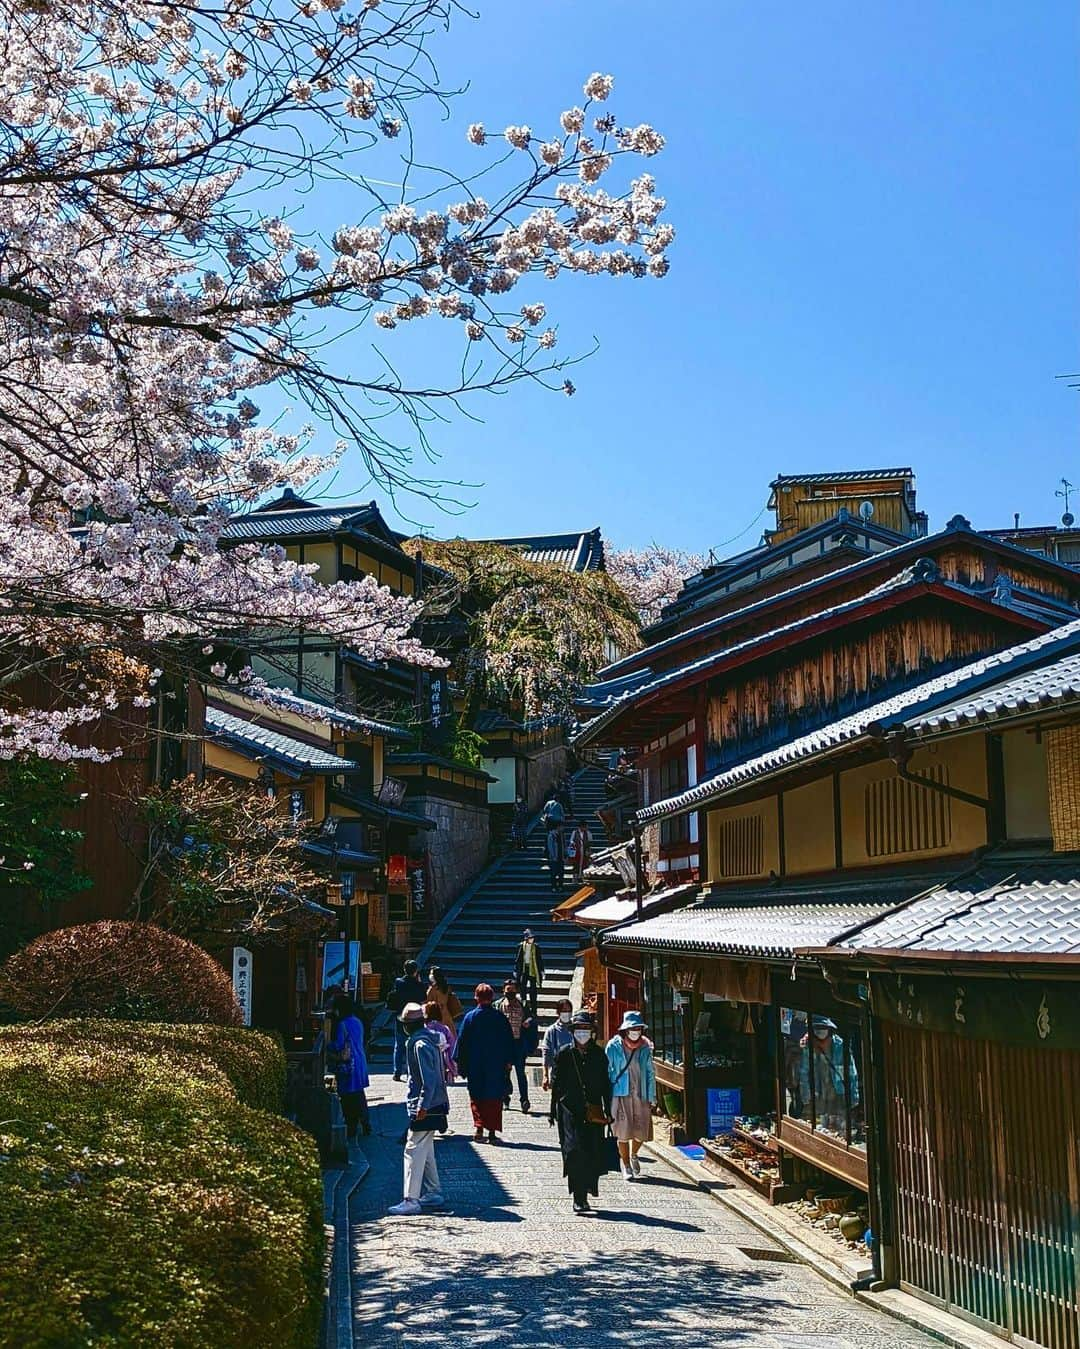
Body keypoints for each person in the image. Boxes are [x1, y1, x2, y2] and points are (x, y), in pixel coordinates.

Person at [388, 1003, 451, 1216]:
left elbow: (429, 1080)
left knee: (412, 1149)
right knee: (426, 1149)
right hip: (436, 1103)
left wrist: (422, 1105)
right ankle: (433, 1192)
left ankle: (411, 1198)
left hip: (425, 1105)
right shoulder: (429, 1040)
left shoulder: (419, 1044)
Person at [548, 1011, 612, 1215]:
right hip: (570, 1109)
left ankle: (588, 1188)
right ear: (573, 1032)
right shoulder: (564, 1053)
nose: (582, 1033)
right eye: (579, 1030)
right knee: (573, 1151)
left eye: (586, 1029)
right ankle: (578, 1196)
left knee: (592, 1150)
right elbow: (557, 1085)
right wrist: (553, 1111)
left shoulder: (599, 1054)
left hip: (592, 1109)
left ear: (592, 1032)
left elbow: (605, 1084)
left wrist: (608, 1110)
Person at [455, 982, 515, 1144]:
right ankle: (492, 1132)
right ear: (492, 997)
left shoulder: (470, 1018)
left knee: (477, 1096)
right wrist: (509, 1061)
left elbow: (462, 1043)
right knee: (494, 1097)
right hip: (495, 1065)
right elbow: (509, 1041)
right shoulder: (499, 1018)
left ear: (476, 998)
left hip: (475, 1065)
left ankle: (479, 1129)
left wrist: (461, 1065)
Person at [605, 1010, 656, 1179]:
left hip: (640, 1093)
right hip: (621, 1094)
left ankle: (634, 1154)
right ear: (625, 1030)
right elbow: (607, 1069)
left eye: (638, 1029)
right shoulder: (614, 1046)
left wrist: (652, 1095)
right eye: (632, 1029)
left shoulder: (645, 1047)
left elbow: (650, 1072)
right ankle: (625, 1164)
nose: (635, 1032)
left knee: (641, 1130)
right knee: (622, 1131)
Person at [799, 1016, 859, 1138]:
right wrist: (806, 1096)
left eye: (823, 1028)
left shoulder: (840, 1046)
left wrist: (853, 1096)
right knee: (820, 1127)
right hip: (818, 1092)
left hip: (838, 1092)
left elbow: (851, 1073)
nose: (820, 1033)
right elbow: (804, 1072)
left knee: (840, 1127)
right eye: (817, 1029)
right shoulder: (808, 1047)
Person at [328, 994, 371, 1139]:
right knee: (359, 1095)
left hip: (348, 1064)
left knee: (348, 1098)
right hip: (359, 1061)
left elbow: (339, 1045)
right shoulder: (357, 1021)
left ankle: (351, 1126)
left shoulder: (343, 1024)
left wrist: (328, 1045)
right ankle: (365, 1123)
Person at [496, 979, 536, 1113]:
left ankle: (524, 1100)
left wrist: (527, 1022)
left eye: (513, 990)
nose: (511, 993)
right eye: (508, 991)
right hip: (503, 1044)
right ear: (504, 991)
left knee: (520, 1073)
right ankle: (505, 1097)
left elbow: (532, 1017)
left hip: (518, 1043)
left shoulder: (523, 1005)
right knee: (504, 1073)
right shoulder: (498, 1005)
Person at [387, 959, 426, 1081]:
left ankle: (397, 1072)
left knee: (399, 1045)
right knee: (413, 1043)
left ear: (404, 970)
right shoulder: (418, 985)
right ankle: (411, 1072)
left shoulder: (399, 982)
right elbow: (423, 999)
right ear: (416, 971)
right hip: (415, 1016)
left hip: (401, 1015)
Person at [541, 998, 575, 1092]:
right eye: (564, 1011)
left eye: (569, 1011)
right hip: (558, 1074)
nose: (567, 1013)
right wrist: (545, 1075)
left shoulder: (576, 1029)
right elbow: (546, 1053)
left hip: (575, 1073)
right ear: (558, 1012)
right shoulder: (552, 1031)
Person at [424, 999, 457, 1083]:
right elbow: (452, 1045)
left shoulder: (424, 1028)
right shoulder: (444, 1028)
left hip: (426, 1056)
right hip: (442, 1057)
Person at [513, 929, 545, 1014]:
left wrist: (541, 970)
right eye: (530, 938)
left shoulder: (536, 947)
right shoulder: (520, 946)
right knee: (523, 989)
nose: (532, 939)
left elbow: (539, 959)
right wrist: (516, 970)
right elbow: (518, 959)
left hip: (533, 969)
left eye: (532, 938)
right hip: (524, 969)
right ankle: (524, 1007)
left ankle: (534, 1009)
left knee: (533, 990)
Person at [425, 966, 463, 1037]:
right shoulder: (446, 987)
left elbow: (428, 1003)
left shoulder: (432, 989)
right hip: (446, 1016)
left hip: (435, 1016)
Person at [566, 819, 591, 884]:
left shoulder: (588, 833)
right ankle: (575, 878)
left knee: (584, 864)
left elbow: (589, 842)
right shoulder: (575, 832)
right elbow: (571, 841)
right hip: (577, 851)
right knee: (576, 865)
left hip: (584, 851)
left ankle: (582, 878)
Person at [545, 823, 565, 892]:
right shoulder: (551, 835)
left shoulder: (561, 835)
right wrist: (553, 856)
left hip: (560, 857)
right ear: (558, 827)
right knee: (553, 873)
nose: (563, 828)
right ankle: (553, 886)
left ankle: (560, 886)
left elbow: (563, 845)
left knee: (561, 873)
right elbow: (550, 847)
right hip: (554, 858)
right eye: (562, 826)